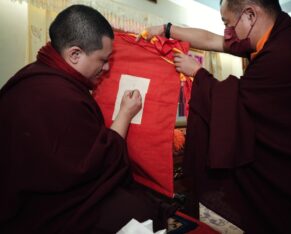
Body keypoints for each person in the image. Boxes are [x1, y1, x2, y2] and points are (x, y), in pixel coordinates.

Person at [138, 0, 291, 233]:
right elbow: (212, 41)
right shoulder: (269, 37)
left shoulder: (287, 50)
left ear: (251, 15)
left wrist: (199, 74)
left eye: (229, 24)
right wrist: (167, 29)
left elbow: (237, 106)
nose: (227, 33)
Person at [0, 4, 177, 234]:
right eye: (103, 59)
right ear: (74, 54)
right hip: (44, 208)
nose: (106, 68)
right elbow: (95, 165)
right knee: (143, 210)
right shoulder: (60, 97)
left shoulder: (27, 77)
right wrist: (124, 114)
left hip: (19, 200)